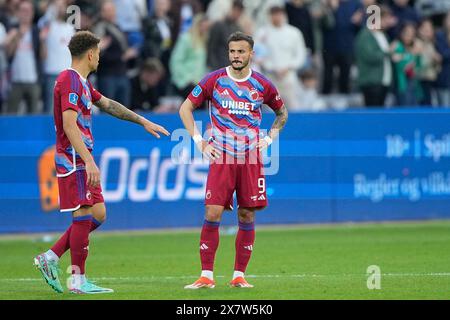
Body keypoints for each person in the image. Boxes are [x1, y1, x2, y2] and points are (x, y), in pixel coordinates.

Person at [33, 30, 169, 294]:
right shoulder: (69, 80)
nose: (100, 59)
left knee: (98, 214)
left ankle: (50, 258)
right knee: (83, 214)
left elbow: (108, 105)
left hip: (81, 158)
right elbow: (70, 126)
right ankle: (78, 280)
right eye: (98, 53)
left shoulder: (82, 83)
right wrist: (89, 161)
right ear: (91, 53)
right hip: (74, 159)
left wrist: (143, 121)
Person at [179, 31, 288, 289]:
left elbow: (282, 114)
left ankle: (239, 275)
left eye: (241, 51)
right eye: (232, 51)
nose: (236, 56)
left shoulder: (263, 85)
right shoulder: (214, 80)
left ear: (251, 53)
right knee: (213, 211)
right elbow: (185, 108)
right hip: (223, 156)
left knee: (247, 214)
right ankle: (206, 275)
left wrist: (269, 139)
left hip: (251, 158)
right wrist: (199, 141)